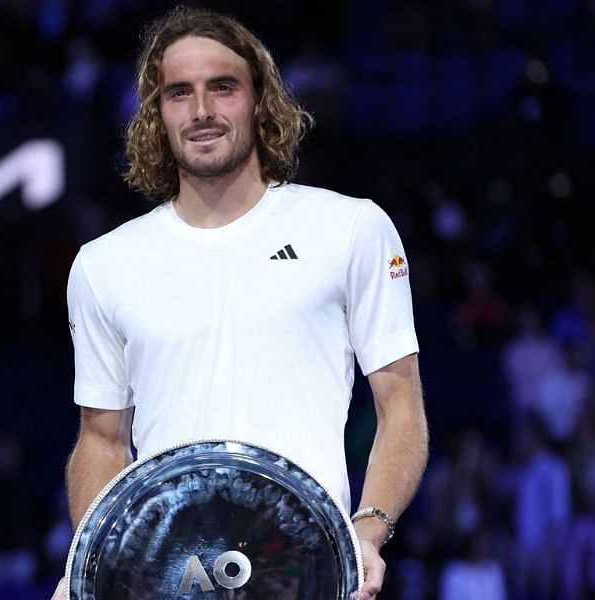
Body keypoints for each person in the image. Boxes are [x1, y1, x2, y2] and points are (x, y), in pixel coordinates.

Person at [62, 7, 428, 599]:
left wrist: (366, 532)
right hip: (169, 580)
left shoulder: (351, 228)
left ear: (259, 101)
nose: (201, 111)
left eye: (222, 88)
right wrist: (94, 564)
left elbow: (401, 407)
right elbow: (102, 439)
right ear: (157, 114)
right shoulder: (105, 264)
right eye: (179, 93)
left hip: (309, 569)